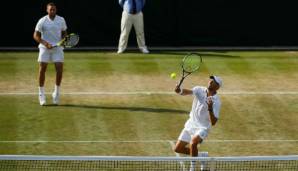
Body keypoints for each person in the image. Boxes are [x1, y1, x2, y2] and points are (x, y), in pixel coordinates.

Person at [173, 76, 223, 170]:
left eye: (214, 81)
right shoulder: (199, 89)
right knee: (177, 149)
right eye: (211, 80)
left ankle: (192, 168)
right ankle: (201, 155)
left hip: (203, 128)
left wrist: (210, 108)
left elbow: (213, 122)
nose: (210, 81)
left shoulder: (217, 102)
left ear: (218, 86)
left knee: (193, 143)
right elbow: (185, 92)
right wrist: (179, 91)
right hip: (191, 124)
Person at [33, 2, 67, 106]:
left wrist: (62, 41)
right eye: (50, 9)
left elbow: (64, 33)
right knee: (42, 69)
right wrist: (45, 43)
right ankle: (41, 94)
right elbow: (35, 35)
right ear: (47, 10)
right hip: (44, 48)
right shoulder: (42, 21)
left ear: (56, 10)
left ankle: (56, 93)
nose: (52, 11)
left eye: (54, 9)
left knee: (59, 69)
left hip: (57, 48)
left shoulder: (61, 20)